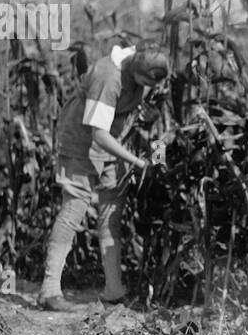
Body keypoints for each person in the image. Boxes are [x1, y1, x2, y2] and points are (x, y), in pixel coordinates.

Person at [38, 39, 170, 312]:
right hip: (82, 144)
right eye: (145, 84)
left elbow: (159, 126)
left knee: (112, 216)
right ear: (135, 70)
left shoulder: (144, 71)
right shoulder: (108, 76)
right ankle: (50, 291)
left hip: (115, 145)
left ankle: (114, 291)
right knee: (73, 210)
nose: (148, 90)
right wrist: (137, 161)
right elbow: (98, 133)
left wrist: (158, 155)